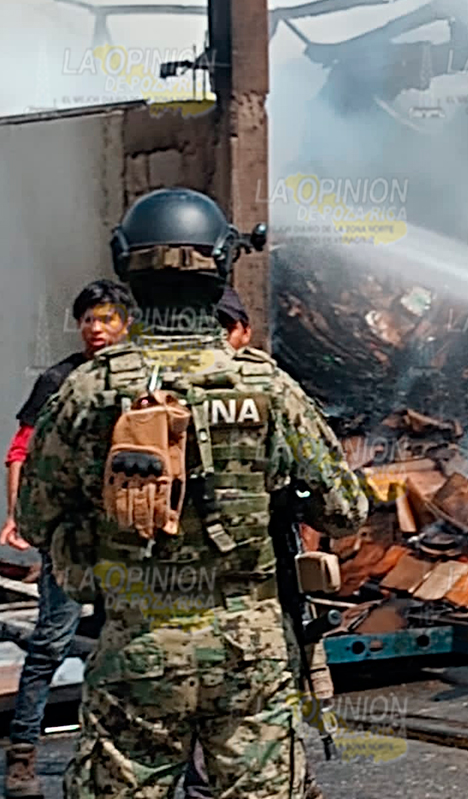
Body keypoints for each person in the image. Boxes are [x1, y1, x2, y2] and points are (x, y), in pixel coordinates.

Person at [15, 187, 368, 799]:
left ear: (126, 264)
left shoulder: (87, 389)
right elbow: (344, 510)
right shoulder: (269, 387)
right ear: (224, 263)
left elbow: (34, 518)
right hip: (250, 653)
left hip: (136, 648)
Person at [182, 286, 326, 799]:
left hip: (161, 611)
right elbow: (344, 505)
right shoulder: (271, 388)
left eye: (223, 325)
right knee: (262, 731)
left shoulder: (133, 387)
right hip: (255, 609)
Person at [2, 280, 132, 799]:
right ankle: (22, 755)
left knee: (128, 643)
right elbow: (21, 450)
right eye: (88, 320)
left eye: (107, 319)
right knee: (51, 642)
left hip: (127, 537)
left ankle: (119, 752)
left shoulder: (142, 378)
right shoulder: (60, 379)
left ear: (127, 323)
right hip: (68, 536)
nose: (97, 329)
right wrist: (18, 516)